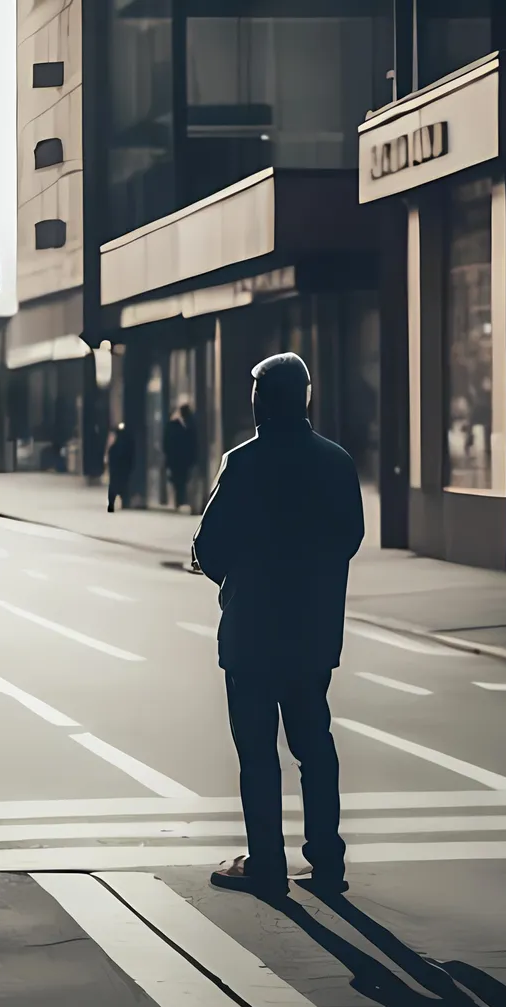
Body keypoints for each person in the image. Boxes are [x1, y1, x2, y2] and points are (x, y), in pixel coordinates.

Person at [192, 352, 364, 900]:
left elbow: (210, 546)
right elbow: (350, 538)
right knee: (314, 742)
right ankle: (327, 859)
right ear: (307, 398)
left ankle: (267, 862)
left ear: (260, 400)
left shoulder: (243, 463)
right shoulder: (336, 462)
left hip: (253, 633)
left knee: (258, 752)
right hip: (312, 630)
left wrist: (233, 576)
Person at [164, 403, 197, 510]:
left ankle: (181, 500)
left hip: (180, 459)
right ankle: (180, 500)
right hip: (179, 459)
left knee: (181, 480)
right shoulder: (183, 426)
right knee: (180, 480)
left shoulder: (176, 426)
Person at [106, 422, 134, 513]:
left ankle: (111, 505)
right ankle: (124, 503)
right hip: (123, 470)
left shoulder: (114, 447)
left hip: (115, 471)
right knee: (123, 486)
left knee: (113, 487)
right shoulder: (127, 445)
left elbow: (110, 457)